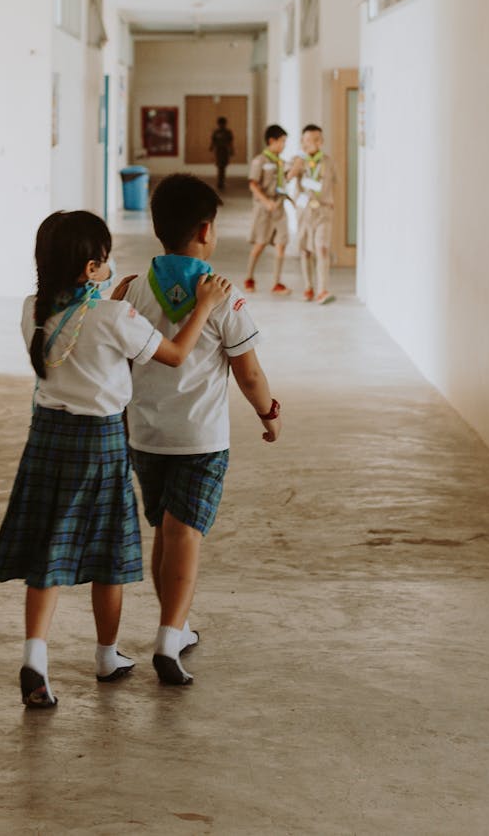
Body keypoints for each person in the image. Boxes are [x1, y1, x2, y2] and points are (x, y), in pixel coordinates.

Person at [0, 209, 231, 710]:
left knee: (48, 555)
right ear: (90, 267)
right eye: (103, 258)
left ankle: (35, 656)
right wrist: (205, 305)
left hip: (46, 440)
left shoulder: (33, 307)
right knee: (110, 556)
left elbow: (81, 331)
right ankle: (105, 656)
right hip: (101, 443)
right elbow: (177, 353)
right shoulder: (117, 318)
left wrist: (110, 302)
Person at [115, 174, 282, 687]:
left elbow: (117, 362)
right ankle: (168, 638)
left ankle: (177, 624)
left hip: (144, 436)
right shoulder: (224, 298)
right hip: (201, 440)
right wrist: (268, 413)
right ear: (207, 230)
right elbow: (248, 372)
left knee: (166, 529)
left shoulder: (131, 291)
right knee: (185, 531)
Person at [289, 123, 337, 304]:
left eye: (316, 139)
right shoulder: (297, 159)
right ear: (302, 142)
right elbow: (288, 177)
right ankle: (309, 287)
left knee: (322, 248)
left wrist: (332, 203)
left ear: (322, 141)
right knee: (306, 251)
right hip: (304, 211)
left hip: (324, 211)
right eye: (308, 140)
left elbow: (334, 185)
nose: (313, 143)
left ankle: (323, 290)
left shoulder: (328, 161)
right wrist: (299, 163)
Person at [244, 123, 291, 295]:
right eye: (282, 141)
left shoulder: (281, 162)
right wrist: (266, 202)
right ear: (272, 140)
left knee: (282, 243)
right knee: (260, 243)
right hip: (264, 209)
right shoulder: (260, 161)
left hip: (279, 207)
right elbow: (253, 184)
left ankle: (277, 282)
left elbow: (287, 177)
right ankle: (249, 278)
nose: (284, 145)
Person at [209, 115, 235, 191]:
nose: (221, 125)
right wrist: (211, 147)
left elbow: (230, 142)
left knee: (223, 167)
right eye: (220, 123)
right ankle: (220, 182)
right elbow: (213, 141)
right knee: (220, 167)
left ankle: (221, 182)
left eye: (223, 123)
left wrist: (231, 150)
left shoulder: (228, 132)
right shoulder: (216, 132)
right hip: (218, 151)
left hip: (225, 151)